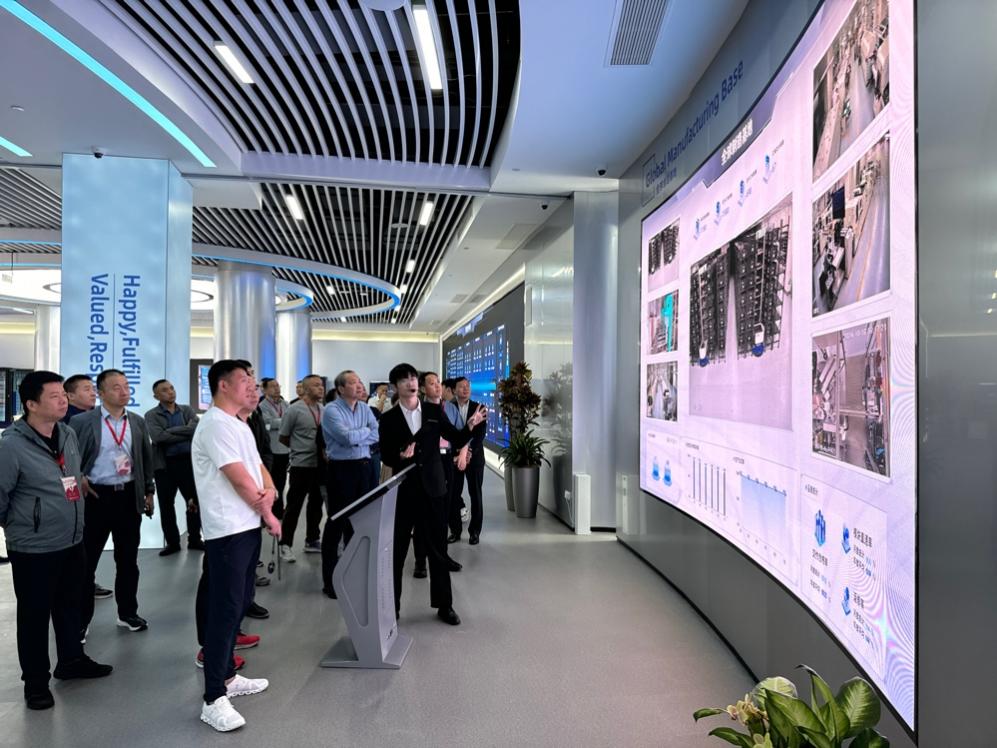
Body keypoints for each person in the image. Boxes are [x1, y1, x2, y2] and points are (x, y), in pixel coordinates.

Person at [0, 371, 113, 710]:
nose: (63, 400)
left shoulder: (66, 433)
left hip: (72, 538)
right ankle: (36, 683)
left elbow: (71, 476)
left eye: (63, 394)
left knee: (70, 606)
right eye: (54, 396)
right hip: (34, 547)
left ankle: (71, 660)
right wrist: (22, 526)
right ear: (31, 404)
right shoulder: (11, 445)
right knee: (34, 616)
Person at [191, 359, 279, 732]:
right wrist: (269, 513)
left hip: (246, 525)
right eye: (244, 380)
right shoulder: (214, 424)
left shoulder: (239, 424)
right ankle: (213, 698)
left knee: (239, 603)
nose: (251, 386)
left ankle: (227, 677)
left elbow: (258, 469)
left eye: (252, 380)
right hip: (227, 530)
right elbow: (240, 480)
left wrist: (270, 491)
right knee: (224, 612)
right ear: (223, 385)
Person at [378, 363, 486, 625]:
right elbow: (386, 455)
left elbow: (456, 439)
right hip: (405, 491)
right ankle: (392, 609)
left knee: (438, 550)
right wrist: (400, 455)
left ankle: (444, 605)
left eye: (413, 378)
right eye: (404, 380)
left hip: (434, 489)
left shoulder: (433, 411)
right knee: (398, 551)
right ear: (395, 387)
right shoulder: (389, 419)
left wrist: (470, 425)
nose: (410, 383)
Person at [70, 368, 156, 635]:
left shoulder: (137, 421)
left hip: (128, 496)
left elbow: (146, 458)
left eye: (126, 386)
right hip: (95, 497)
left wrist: (149, 490)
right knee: (86, 562)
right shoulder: (82, 422)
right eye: (116, 387)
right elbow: (68, 458)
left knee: (128, 560)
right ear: (101, 392)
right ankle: (80, 621)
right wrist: (78, 477)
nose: (124, 391)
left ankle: (127, 613)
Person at [320, 370, 378, 598]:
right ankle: (330, 580)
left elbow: (377, 434)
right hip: (342, 470)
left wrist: (359, 436)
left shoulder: (364, 408)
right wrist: (364, 433)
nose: (359, 385)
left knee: (359, 522)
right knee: (337, 521)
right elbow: (346, 438)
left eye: (359, 381)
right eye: (353, 383)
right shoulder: (331, 410)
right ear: (341, 389)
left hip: (364, 467)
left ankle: (351, 574)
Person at [61, 374, 113, 599]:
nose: (92, 393)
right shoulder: (66, 421)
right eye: (86, 389)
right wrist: (74, 489)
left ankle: (85, 583)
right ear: (70, 395)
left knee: (87, 543)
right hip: (74, 493)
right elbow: (63, 462)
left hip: (94, 490)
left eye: (93, 388)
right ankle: (76, 587)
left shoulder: (97, 418)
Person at [145, 379, 202, 556]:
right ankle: (172, 543)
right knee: (166, 505)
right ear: (156, 396)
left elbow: (196, 430)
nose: (170, 392)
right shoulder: (151, 415)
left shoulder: (186, 410)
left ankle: (195, 539)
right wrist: (184, 430)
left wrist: (170, 431)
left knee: (193, 502)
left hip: (187, 463)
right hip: (164, 466)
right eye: (164, 390)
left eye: (171, 388)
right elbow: (158, 437)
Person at [277, 374, 325, 561]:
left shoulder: (323, 409)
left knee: (316, 505)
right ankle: (285, 544)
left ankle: (312, 540)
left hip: (319, 465)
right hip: (300, 465)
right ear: (305, 389)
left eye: (321, 385)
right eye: (315, 385)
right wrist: (299, 448)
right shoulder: (294, 410)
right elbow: (283, 436)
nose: (320, 388)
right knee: (294, 506)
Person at [420, 372, 463, 577]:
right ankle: (421, 561)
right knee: (424, 515)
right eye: (432, 383)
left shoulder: (449, 409)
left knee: (444, 509)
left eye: (438, 382)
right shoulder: (421, 411)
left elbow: (458, 433)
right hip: (428, 462)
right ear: (422, 388)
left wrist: (463, 448)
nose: (437, 386)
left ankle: (442, 557)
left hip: (446, 459)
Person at [449, 377, 487, 545]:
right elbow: (449, 433)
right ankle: (455, 531)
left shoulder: (479, 407)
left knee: (475, 494)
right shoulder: (448, 407)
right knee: (453, 495)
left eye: (467, 386)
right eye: (461, 387)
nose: (465, 389)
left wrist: (469, 451)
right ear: (454, 390)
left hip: (475, 458)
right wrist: (459, 453)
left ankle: (475, 532)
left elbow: (480, 434)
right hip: (455, 458)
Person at [257, 378, 289, 519]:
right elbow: (267, 423)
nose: (277, 388)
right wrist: (285, 421)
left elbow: (279, 422)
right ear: (264, 390)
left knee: (281, 482)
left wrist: (278, 422)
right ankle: (270, 511)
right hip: (271, 449)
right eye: (272, 386)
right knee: (271, 482)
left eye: (278, 385)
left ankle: (279, 509)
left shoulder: (285, 404)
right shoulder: (262, 406)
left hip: (285, 448)